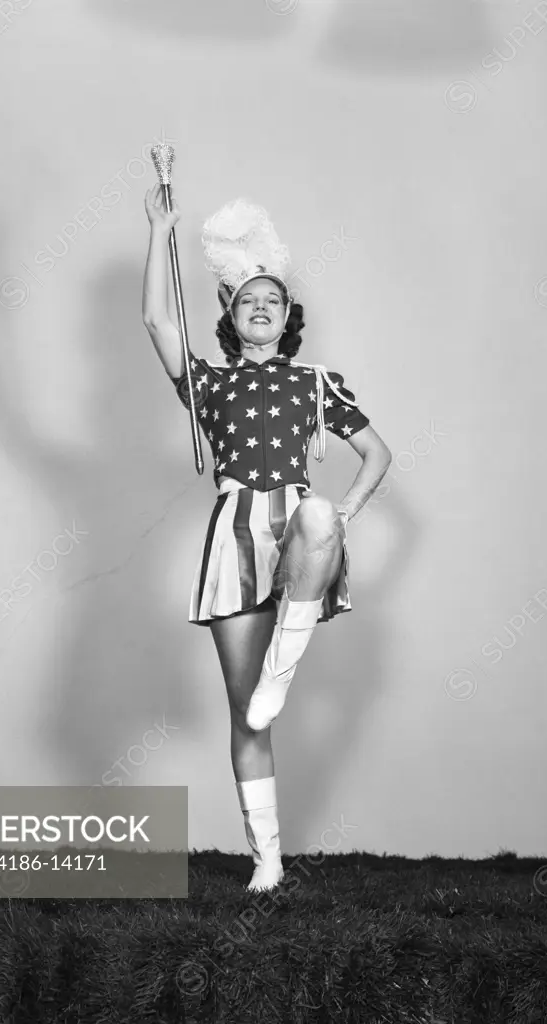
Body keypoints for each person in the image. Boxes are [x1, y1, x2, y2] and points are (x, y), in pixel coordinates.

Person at [142, 189, 392, 892]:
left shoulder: (316, 385)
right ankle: (268, 860)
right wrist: (161, 232)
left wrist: (345, 511)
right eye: (247, 298)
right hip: (233, 536)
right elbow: (157, 318)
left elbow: (377, 455)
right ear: (228, 313)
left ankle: (283, 668)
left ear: (288, 319)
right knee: (245, 712)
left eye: (272, 299)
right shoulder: (210, 385)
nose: (260, 305)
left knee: (317, 516)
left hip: (297, 528)